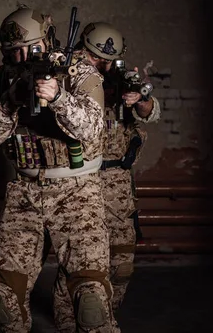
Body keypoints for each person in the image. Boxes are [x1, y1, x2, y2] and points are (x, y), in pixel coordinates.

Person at [0, 4, 120, 332]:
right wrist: (10, 100)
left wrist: (58, 98)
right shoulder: (2, 80)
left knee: (91, 302)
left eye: (34, 48)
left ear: (49, 41)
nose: (25, 58)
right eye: (16, 52)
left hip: (77, 192)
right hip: (24, 192)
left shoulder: (78, 69)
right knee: (4, 301)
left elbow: (92, 129)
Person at [52, 22, 161, 332]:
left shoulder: (120, 80)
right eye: (98, 58)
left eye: (109, 60)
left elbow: (150, 110)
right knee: (80, 260)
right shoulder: (74, 79)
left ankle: (101, 317)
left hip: (118, 183)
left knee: (122, 262)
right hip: (82, 181)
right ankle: (67, 322)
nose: (104, 66)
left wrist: (137, 99)